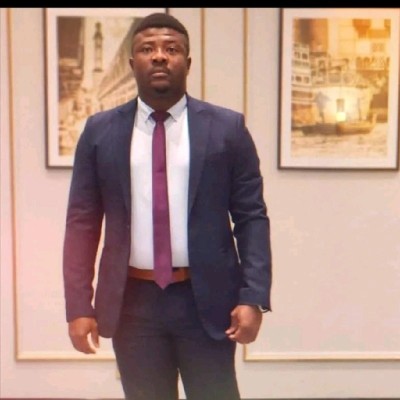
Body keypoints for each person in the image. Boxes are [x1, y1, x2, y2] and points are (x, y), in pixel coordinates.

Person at [63, 12, 272, 400]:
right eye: (147, 49)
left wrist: (253, 295)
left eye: (171, 49)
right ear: (133, 63)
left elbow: (251, 218)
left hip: (208, 300)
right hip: (132, 304)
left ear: (187, 63)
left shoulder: (227, 129)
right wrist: (78, 305)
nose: (159, 56)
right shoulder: (100, 131)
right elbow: (82, 224)